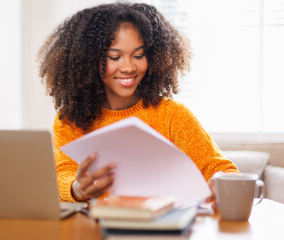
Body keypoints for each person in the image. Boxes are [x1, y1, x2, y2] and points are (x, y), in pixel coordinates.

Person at [37, 2, 239, 203]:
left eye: (138, 55)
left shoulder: (173, 116)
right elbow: (64, 172)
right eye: (115, 57)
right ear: (87, 61)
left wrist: (222, 182)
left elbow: (221, 169)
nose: (128, 67)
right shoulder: (70, 120)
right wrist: (77, 189)